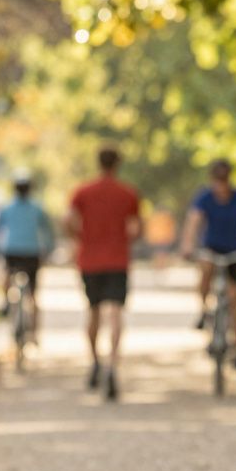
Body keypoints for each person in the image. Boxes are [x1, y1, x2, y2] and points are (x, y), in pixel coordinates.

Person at [67, 146, 141, 401]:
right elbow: (136, 227)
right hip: (118, 260)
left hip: (89, 259)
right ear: (117, 164)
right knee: (116, 312)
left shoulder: (82, 191)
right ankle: (112, 364)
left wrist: (80, 237)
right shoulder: (128, 193)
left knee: (94, 310)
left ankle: (95, 361)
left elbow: (69, 220)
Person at [178, 159, 236, 370]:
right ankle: (204, 310)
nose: (220, 184)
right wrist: (187, 245)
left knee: (235, 298)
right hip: (212, 248)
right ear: (212, 179)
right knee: (205, 267)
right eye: (217, 180)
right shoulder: (205, 198)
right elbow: (193, 222)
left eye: (223, 180)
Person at [0, 171, 56, 338]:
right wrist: (49, 248)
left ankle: (5, 301)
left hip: (12, 251)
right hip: (32, 252)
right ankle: (34, 333)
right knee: (34, 295)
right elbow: (48, 231)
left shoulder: (7, 208)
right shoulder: (37, 208)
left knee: (6, 274)